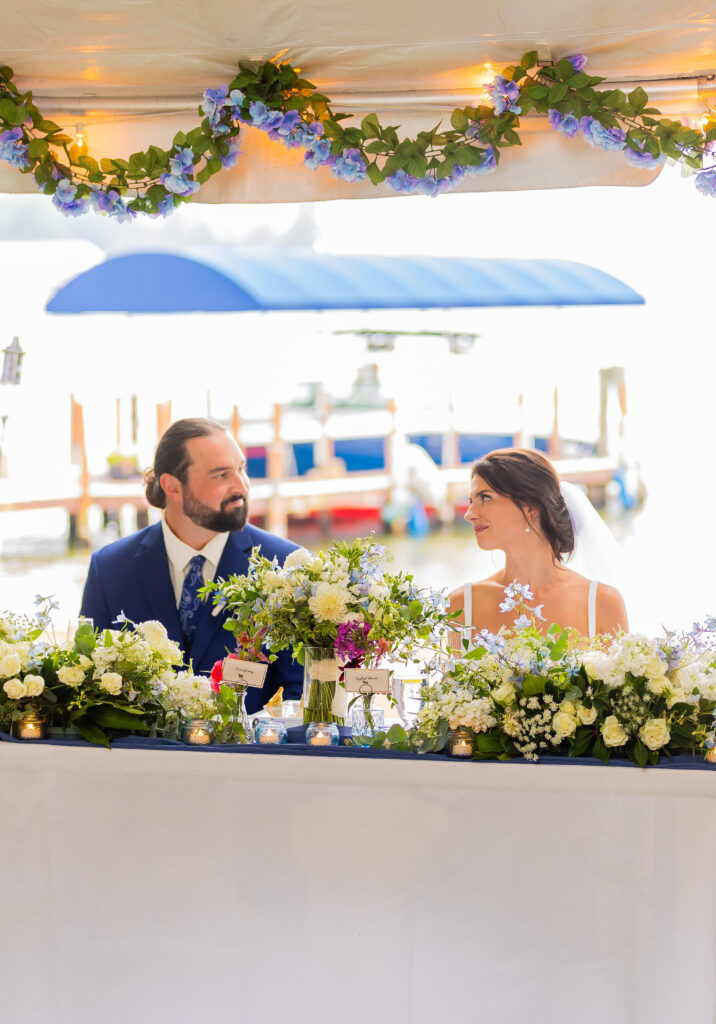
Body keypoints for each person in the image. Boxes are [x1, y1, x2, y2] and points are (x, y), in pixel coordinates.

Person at [80, 417, 303, 713]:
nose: (242, 486)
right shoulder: (109, 569)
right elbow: (89, 686)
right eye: (221, 475)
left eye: (241, 469)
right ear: (172, 486)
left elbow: (300, 692)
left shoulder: (287, 568)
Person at [449, 448, 628, 638]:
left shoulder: (602, 603)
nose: (469, 514)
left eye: (485, 498)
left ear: (531, 506)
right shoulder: (462, 605)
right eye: (470, 501)